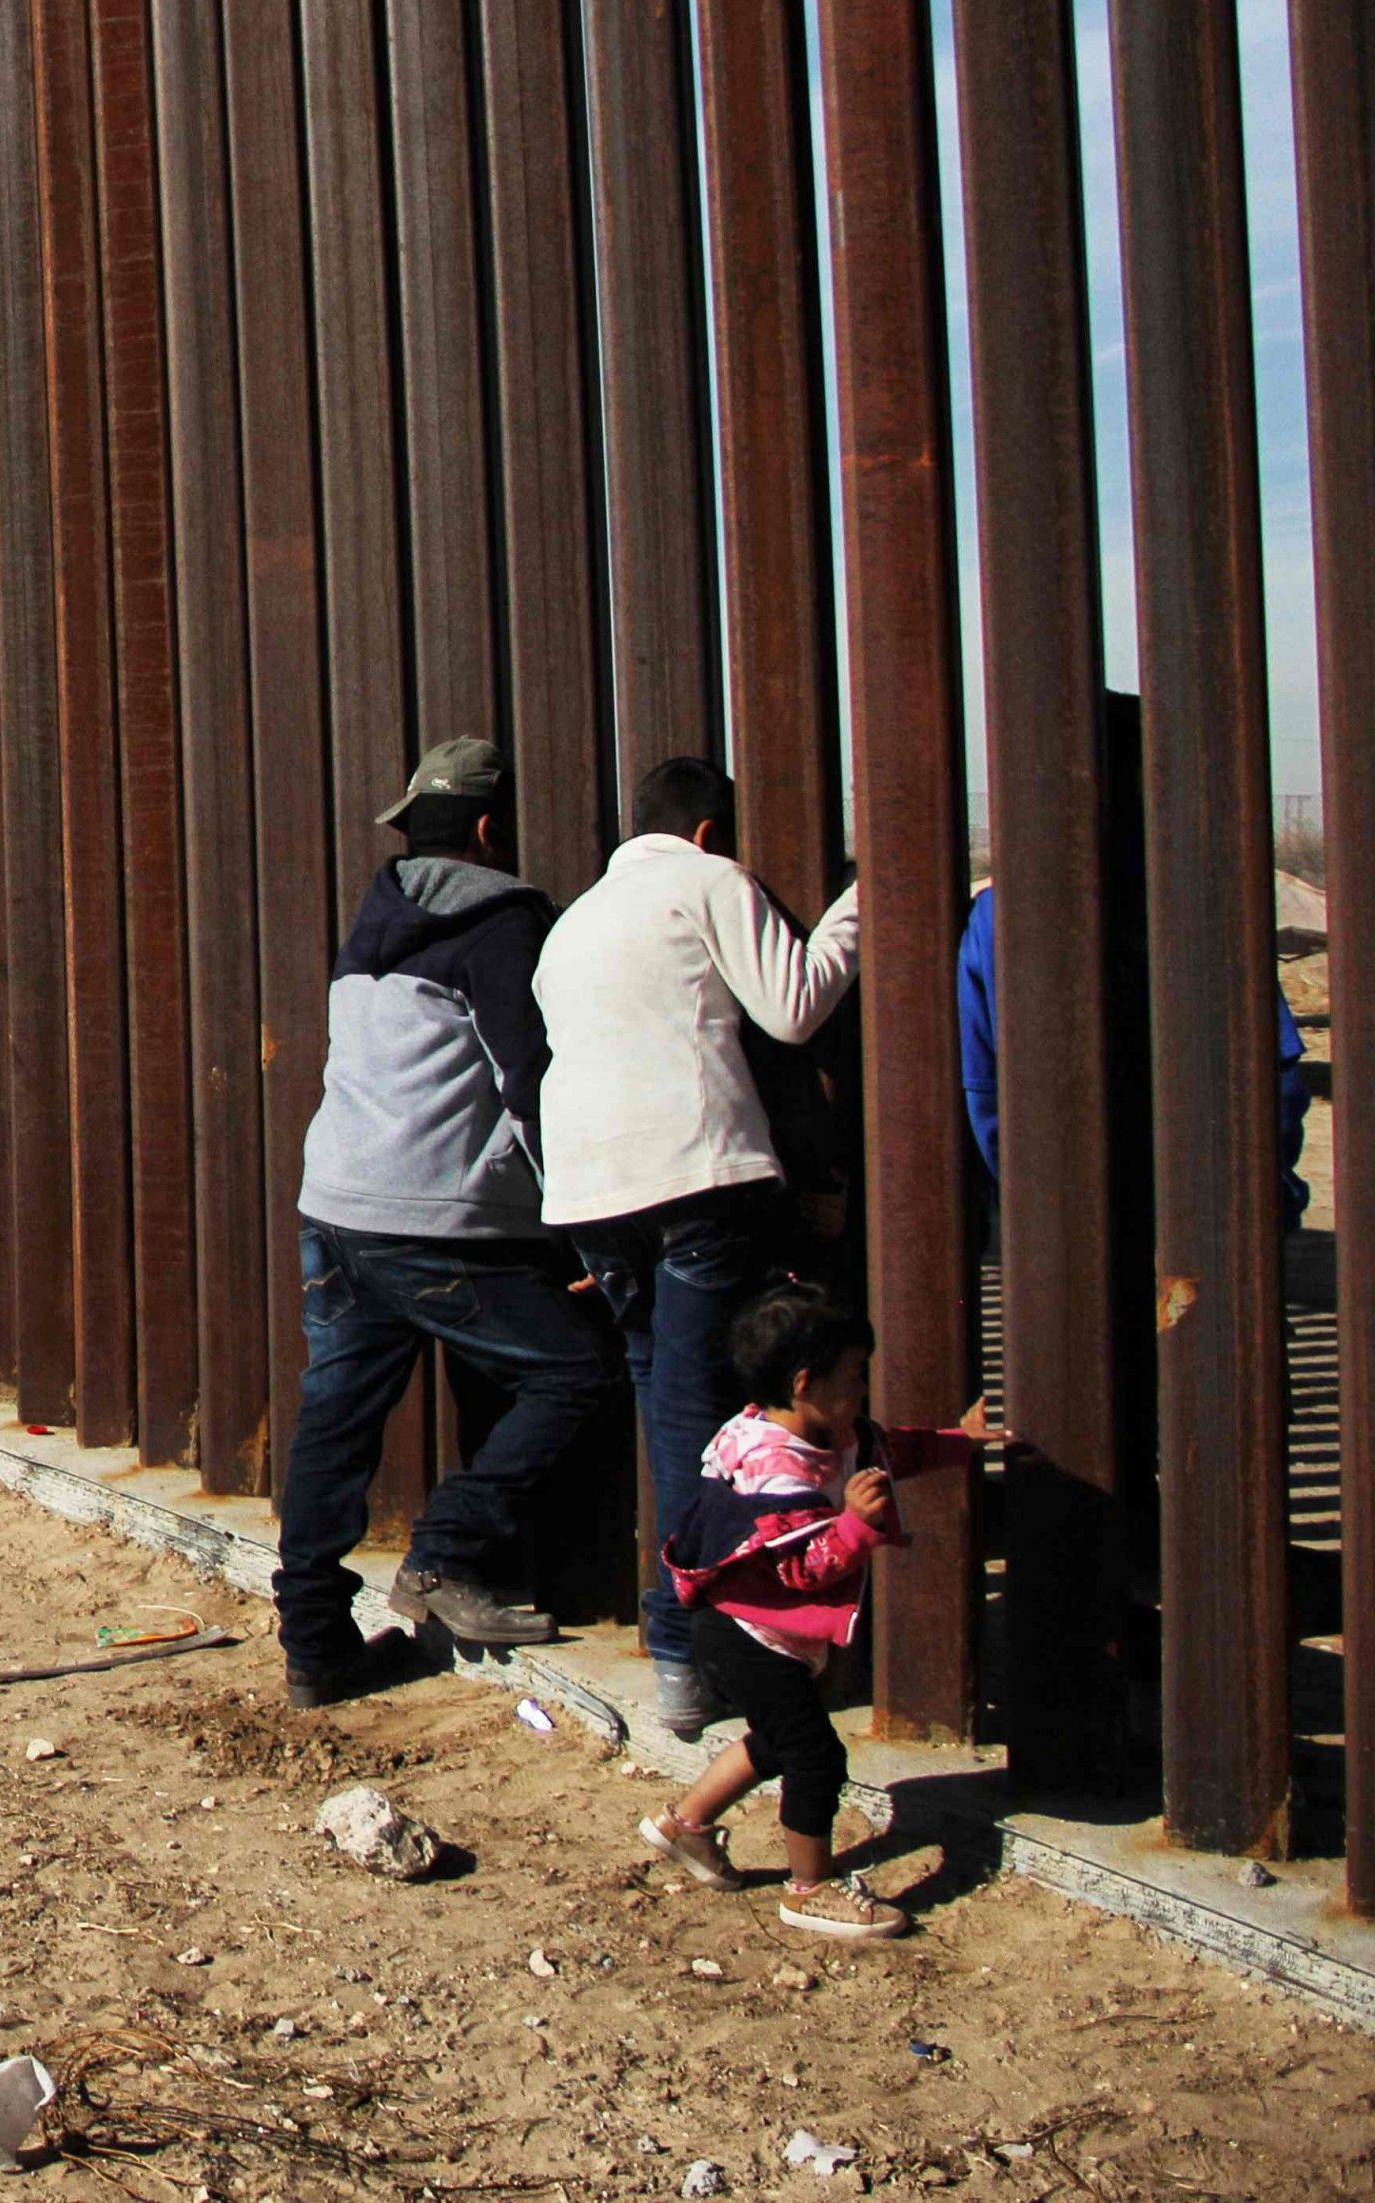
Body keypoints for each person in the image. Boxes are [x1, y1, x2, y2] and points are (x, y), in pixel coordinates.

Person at [271, 736, 620, 1708]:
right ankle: (445, 1551)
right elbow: (528, 1082)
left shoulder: (372, 918)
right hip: (434, 1218)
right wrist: (582, 1229)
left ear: (406, 827)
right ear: (486, 826)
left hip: (333, 1204)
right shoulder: (505, 926)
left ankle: (314, 1645)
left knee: (334, 1421)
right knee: (573, 1373)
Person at [538, 755, 859, 1738]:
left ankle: (699, 1638)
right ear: (712, 831)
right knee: (693, 1416)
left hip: (590, 1192)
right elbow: (793, 1004)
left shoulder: (573, 921)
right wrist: (859, 905)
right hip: (690, 1174)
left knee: (665, 1396)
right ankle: (687, 1655)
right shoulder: (707, 880)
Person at [635, 1285, 998, 1941]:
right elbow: (802, 1567)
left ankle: (683, 1825)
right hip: (744, 1632)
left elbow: (893, 1449)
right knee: (816, 1756)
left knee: (779, 1739)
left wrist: (959, 1442)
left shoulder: (828, 1432)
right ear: (806, 1384)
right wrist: (857, 1525)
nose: (863, 1390)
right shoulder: (776, 1470)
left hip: (762, 1630)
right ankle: (811, 1888)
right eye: (855, 1376)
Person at [960, 881, 1312, 1226]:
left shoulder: (998, 917)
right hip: (1208, 1205)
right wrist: (1261, 1192)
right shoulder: (1198, 895)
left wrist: (1036, 1205)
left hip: (1067, 1207)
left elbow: (985, 1093)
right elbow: (1278, 1080)